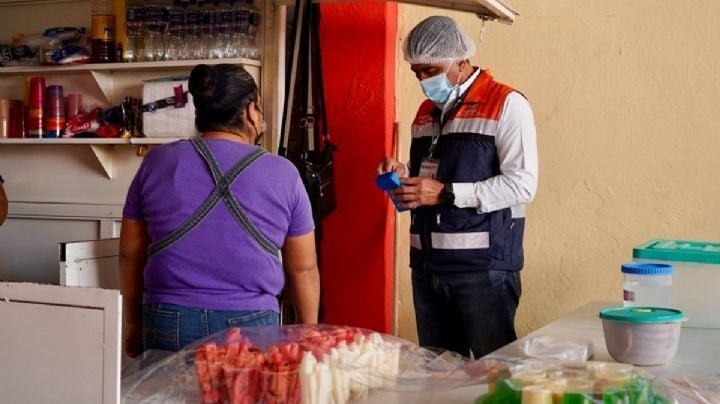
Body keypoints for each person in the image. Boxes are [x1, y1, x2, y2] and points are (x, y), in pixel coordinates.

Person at [120, 64, 320, 358]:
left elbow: (130, 253)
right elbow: (303, 268)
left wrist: (133, 323)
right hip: (250, 322)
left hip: (166, 318)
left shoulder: (157, 162)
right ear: (251, 111)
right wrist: (309, 335)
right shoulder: (283, 173)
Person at [378, 16, 538, 358]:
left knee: (493, 379)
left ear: (461, 60)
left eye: (430, 70)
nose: (423, 80)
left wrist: (446, 193)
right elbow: (430, 177)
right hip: (426, 267)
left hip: (483, 269)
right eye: (416, 72)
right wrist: (403, 177)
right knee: (438, 380)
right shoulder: (425, 111)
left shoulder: (507, 104)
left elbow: (522, 185)